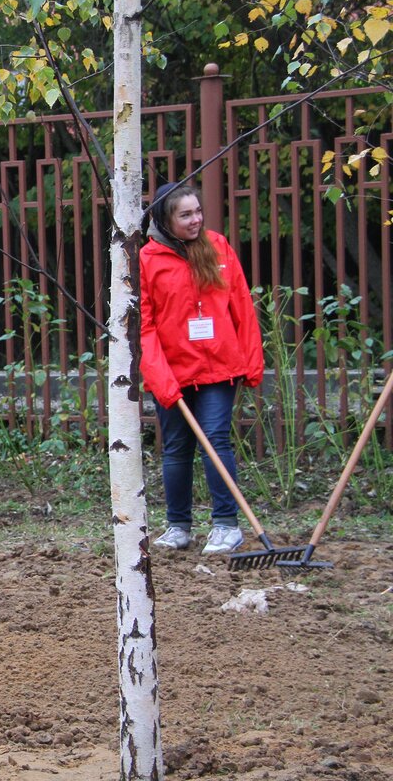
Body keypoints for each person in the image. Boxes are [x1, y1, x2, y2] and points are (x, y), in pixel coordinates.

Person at [139, 182, 264, 555]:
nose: (196, 220)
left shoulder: (218, 246)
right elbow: (144, 326)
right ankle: (178, 526)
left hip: (219, 366)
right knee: (177, 448)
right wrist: (161, 379)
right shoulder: (147, 259)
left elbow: (241, 305)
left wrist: (251, 361)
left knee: (215, 439)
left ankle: (226, 525)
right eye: (186, 215)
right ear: (166, 219)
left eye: (197, 211)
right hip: (172, 372)